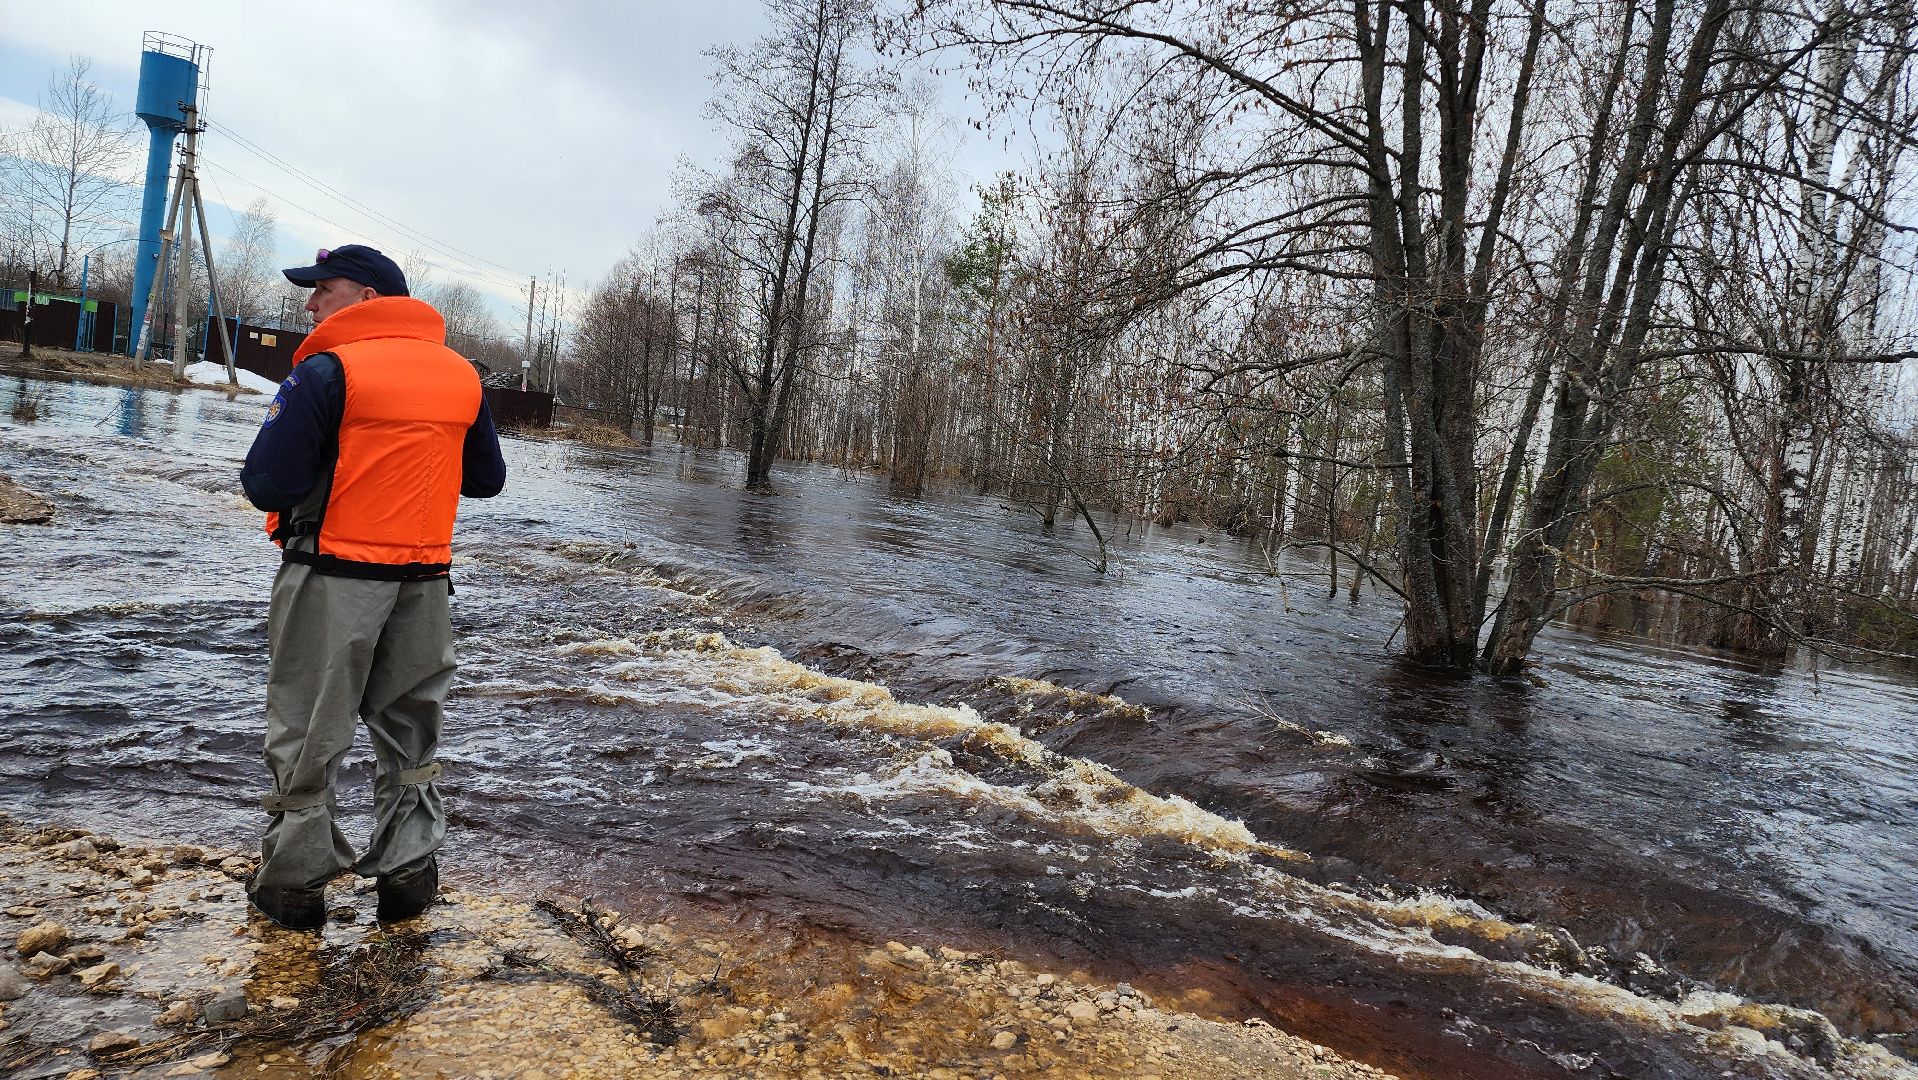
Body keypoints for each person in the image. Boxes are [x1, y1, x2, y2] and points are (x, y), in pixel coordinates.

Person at [238, 244, 506, 930]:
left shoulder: (328, 371)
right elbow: (485, 480)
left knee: (307, 726)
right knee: (411, 730)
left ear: (365, 298)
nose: (309, 303)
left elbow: (267, 481)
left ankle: (295, 885)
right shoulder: (462, 377)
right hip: (424, 583)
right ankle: (409, 877)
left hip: (332, 575)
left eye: (321, 289)